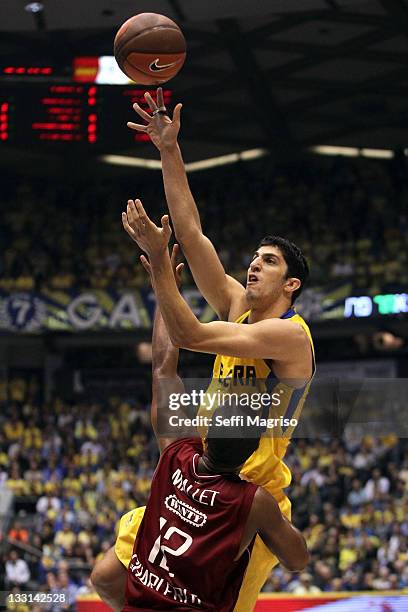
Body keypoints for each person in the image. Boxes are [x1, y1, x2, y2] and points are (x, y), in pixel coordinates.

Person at [117, 90, 316, 611]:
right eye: (253, 256)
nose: (253, 264)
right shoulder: (235, 302)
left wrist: (159, 265)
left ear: (290, 283)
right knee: (109, 577)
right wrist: (168, 150)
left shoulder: (290, 336)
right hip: (198, 476)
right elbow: (192, 231)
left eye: (268, 261)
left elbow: (190, 337)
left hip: (246, 499)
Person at [91, 246, 309, 611]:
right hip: (229, 528)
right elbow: (299, 558)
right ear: (249, 454)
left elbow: (163, 367)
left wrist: (163, 279)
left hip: (175, 521)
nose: (255, 263)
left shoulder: (177, 452)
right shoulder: (252, 502)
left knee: (105, 577)